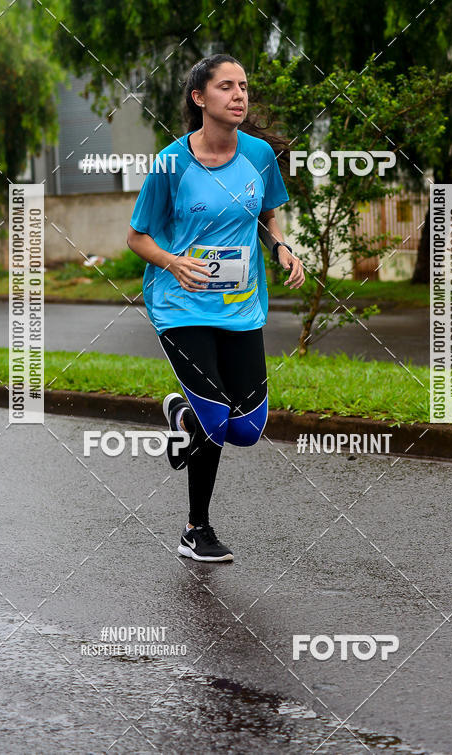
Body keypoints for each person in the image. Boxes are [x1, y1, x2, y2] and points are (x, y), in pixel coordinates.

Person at [127, 53, 304, 562]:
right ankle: (195, 530)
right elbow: (138, 237)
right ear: (199, 98)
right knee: (216, 418)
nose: (239, 95)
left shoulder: (259, 155)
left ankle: (181, 415)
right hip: (180, 305)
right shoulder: (170, 163)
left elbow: (266, 215)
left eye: (244, 86)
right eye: (226, 86)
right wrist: (173, 262)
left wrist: (281, 247)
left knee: (246, 429)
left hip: (240, 305)